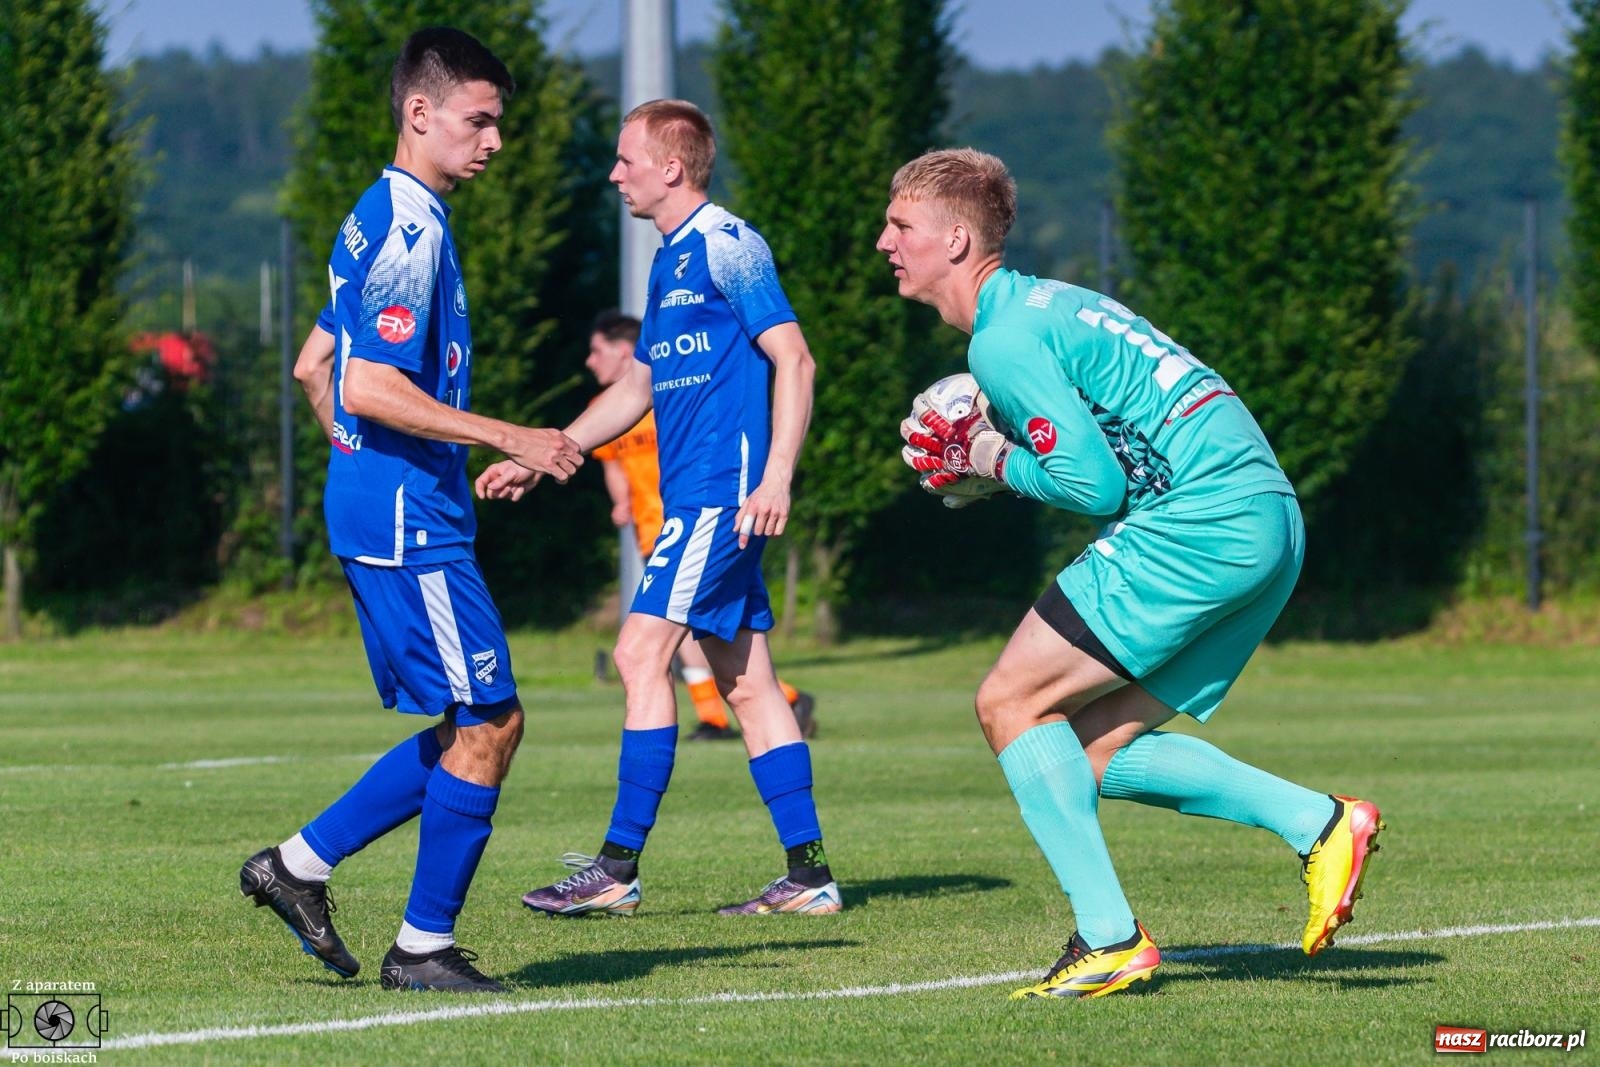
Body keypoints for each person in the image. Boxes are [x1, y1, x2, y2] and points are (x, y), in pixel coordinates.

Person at [881, 148, 1383, 999]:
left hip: (1203, 521)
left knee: (1008, 702)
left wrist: (988, 456)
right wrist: (997, 452)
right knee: (1091, 751)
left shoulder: (1004, 338)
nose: (886, 242)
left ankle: (1109, 938)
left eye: (901, 225)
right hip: (1268, 518)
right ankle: (1320, 821)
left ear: (957, 239)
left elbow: (1094, 484)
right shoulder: (1051, 304)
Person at [239, 27, 583, 994]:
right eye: (479, 120)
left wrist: (359, 466)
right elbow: (369, 385)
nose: (495, 141)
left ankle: (298, 866)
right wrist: (507, 436)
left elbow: (318, 366)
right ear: (419, 113)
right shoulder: (412, 226)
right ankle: (421, 948)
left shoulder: (378, 213)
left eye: (498, 123)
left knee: (474, 720)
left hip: (386, 507)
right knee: (492, 721)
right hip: (409, 520)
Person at [481, 99, 839, 917]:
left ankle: (614, 868)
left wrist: (776, 473)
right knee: (748, 685)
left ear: (671, 167)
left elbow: (796, 358)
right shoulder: (670, 258)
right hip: (700, 496)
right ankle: (810, 876)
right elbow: (636, 387)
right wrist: (551, 453)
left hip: (724, 492)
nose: (614, 174)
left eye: (625, 159)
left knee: (641, 654)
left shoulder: (728, 244)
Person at [585, 309, 818, 742]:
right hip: (654, 529)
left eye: (596, 351)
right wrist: (621, 502)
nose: (589, 362)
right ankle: (779, 701)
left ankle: (717, 718)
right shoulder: (608, 408)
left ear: (623, 351)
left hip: (697, 520)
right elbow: (613, 464)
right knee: (719, 645)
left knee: (652, 646)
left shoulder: (668, 394)